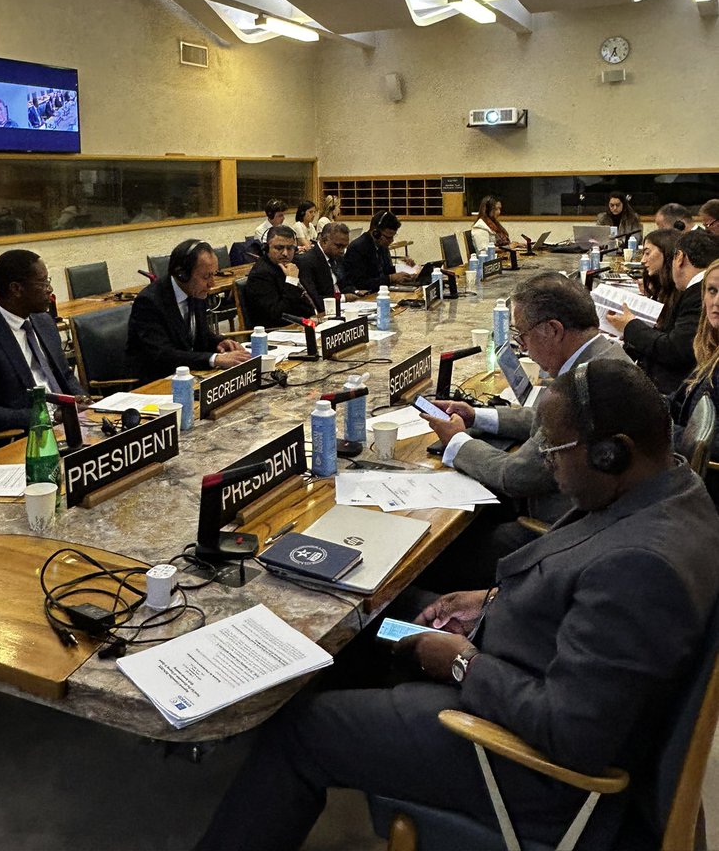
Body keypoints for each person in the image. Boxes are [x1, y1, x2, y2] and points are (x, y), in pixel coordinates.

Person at [194, 360, 719, 851]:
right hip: (516, 656)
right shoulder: (672, 490)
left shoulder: (642, 567)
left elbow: (571, 733)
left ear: (613, 452)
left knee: (300, 732)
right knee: (372, 622)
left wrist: (461, 662)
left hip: (525, 766)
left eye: (555, 450)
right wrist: (489, 601)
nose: (547, 464)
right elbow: (581, 604)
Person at [423, 272, 630, 581]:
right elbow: (544, 419)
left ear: (552, 330)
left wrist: (456, 442)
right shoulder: (605, 355)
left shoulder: (580, 387)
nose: (523, 347)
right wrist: (477, 416)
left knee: (439, 556)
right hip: (600, 522)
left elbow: (516, 475)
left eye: (523, 336)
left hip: (564, 536)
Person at [0, 250, 85, 437]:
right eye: (43, 282)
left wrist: (82, 401)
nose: (49, 289)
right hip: (26, 435)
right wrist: (47, 417)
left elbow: (66, 375)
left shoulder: (44, 321)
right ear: (16, 289)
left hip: (72, 425)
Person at [606, 228, 719, 395]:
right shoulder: (693, 291)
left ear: (679, 257)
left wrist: (630, 326)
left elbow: (675, 350)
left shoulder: (697, 293)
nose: (714, 300)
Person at [126, 239, 250, 383]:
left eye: (213, 274)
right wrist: (215, 359)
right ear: (182, 275)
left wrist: (219, 342)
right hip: (155, 383)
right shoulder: (149, 302)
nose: (212, 284)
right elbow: (163, 355)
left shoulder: (195, 291)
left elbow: (199, 335)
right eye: (206, 276)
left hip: (188, 376)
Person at [670, 257, 719, 446]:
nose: (716, 301)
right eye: (712, 291)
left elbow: (710, 443)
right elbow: (678, 401)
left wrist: (654, 430)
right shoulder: (711, 351)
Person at [245, 226, 317, 328]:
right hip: (277, 331)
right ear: (266, 248)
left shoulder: (295, 265)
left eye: (290, 248)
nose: (285, 253)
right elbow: (278, 315)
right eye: (279, 248)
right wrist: (292, 281)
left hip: (306, 323)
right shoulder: (260, 274)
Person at [341, 210, 415, 291]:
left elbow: (385, 270)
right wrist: (390, 279)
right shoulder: (357, 248)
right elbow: (359, 283)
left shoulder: (382, 246)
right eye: (388, 237)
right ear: (376, 233)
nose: (392, 240)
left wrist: (405, 269)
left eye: (393, 236)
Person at [297, 222, 354, 311]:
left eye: (345, 246)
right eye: (339, 246)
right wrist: (344, 298)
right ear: (324, 241)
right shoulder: (307, 261)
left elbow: (344, 284)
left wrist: (356, 292)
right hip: (326, 311)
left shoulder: (337, 256)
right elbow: (314, 300)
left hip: (345, 308)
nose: (342, 251)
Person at [638, 227, 681, 307]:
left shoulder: (681, 291)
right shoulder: (660, 286)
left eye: (647, 253)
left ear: (667, 252)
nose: (642, 260)